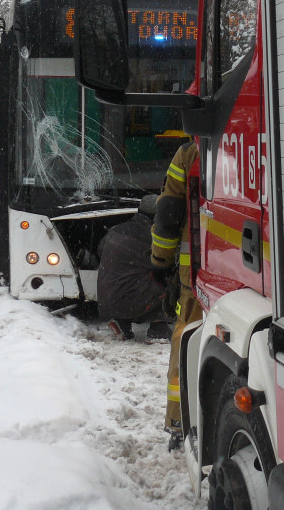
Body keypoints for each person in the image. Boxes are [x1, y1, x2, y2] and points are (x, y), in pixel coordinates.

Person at [150, 140, 201, 451]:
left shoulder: (191, 152)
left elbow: (168, 213)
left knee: (187, 341)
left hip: (198, 274)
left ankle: (180, 420)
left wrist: (159, 262)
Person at [96, 194, 174, 342]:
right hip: (130, 300)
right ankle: (158, 329)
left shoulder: (115, 230)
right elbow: (166, 263)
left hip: (106, 300)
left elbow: (100, 251)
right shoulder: (153, 238)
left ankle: (122, 325)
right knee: (169, 281)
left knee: (133, 281)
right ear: (158, 216)